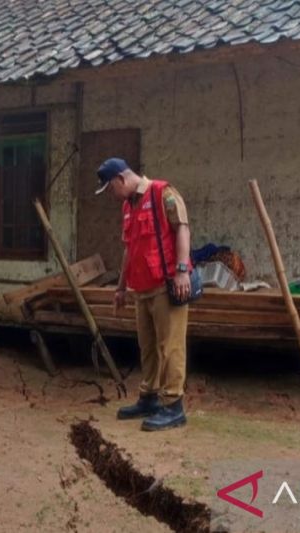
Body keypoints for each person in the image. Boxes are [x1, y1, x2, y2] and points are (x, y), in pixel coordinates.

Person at [96, 157, 192, 431]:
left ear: (121, 179)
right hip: (141, 289)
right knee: (148, 346)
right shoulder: (128, 206)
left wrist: (182, 270)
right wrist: (121, 287)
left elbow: (182, 228)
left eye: (111, 189)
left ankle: (173, 405)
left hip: (166, 286)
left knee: (170, 346)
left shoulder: (163, 193)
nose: (112, 196)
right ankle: (149, 397)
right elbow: (129, 248)